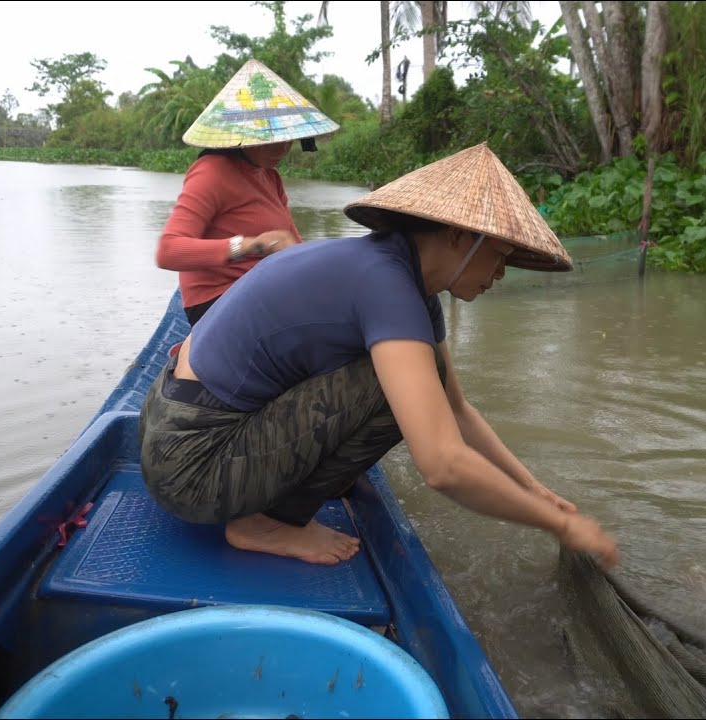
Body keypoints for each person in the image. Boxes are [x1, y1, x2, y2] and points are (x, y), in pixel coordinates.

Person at [138, 143, 621, 571]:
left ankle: (270, 503)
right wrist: (559, 527)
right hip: (192, 467)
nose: (501, 273)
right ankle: (265, 524)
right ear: (457, 237)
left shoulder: (395, 276)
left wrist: (536, 492)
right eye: (499, 254)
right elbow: (443, 464)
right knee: (400, 389)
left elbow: (457, 410)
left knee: (421, 385)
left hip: (172, 423)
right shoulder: (385, 285)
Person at [155, 59, 340, 325]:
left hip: (263, 291)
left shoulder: (269, 176)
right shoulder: (211, 172)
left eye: (287, 137)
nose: (282, 148)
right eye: (270, 138)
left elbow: (293, 244)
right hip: (217, 303)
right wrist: (250, 246)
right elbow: (168, 251)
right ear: (243, 134)